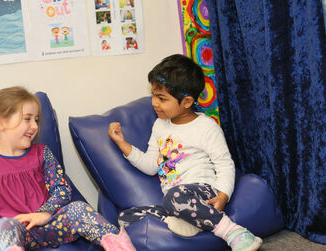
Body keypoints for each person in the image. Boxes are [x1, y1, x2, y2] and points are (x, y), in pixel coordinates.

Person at [108, 54, 263, 251]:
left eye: (162, 98)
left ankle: (234, 232)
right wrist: (123, 144)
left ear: (187, 102)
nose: (155, 103)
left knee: (175, 196)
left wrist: (223, 195)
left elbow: (224, 164)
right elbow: (150, 166)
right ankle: (190, 222)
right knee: (125, 217)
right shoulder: (160, 126)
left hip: (202, 191)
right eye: (154, 96)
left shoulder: (206, 127)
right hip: (173, 202)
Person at [0, 86, 135, 251]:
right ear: (0, 123)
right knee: (4, 224)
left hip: (49, 226)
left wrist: (44, 214)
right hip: (16, 233)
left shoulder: (42, 154)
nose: (35, 126)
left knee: (79, 208)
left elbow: (62, 190)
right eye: (27, 119)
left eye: (36, 120)